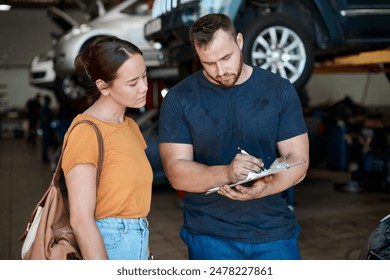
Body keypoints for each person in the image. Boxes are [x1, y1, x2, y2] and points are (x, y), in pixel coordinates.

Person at [158, 13, 310, 260]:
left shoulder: (279, 89)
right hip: (209, 236)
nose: (220, 70)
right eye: (208, 62)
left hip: (274, 233)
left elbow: (298, 160)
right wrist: (228, 174)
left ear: (239, 41)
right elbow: (176, 171)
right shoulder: (179, 98)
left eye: (226, 57)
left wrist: (264, 187)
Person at [61, 35, 153, 260]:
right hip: (108, 243)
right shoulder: (86, 132)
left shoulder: (130, 126)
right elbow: (81, 220)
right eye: (133, 82)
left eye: (144, 76)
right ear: (103, 86)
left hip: (137, 237)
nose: (143, 88)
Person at [40, 95, 54, 163]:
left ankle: (45, 157)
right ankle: (44, 157)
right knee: (46, 144)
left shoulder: (45, 108)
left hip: (46, 128)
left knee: (46, 144)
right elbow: (45, 119)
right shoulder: (45, 109)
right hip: (46, 129)